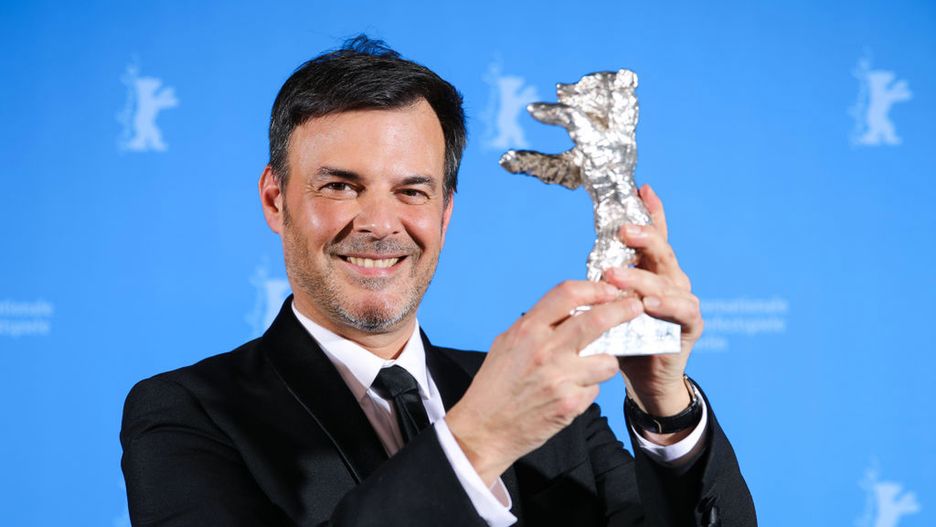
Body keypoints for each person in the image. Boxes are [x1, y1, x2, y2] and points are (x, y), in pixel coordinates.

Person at [120, 36, 756, 526]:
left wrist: (664, 406)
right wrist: (478, 439)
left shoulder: (556, 414)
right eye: (340, 186)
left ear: (445, 213)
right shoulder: (187, 414)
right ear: (275, 198)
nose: (379, 224)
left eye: (412, 191)